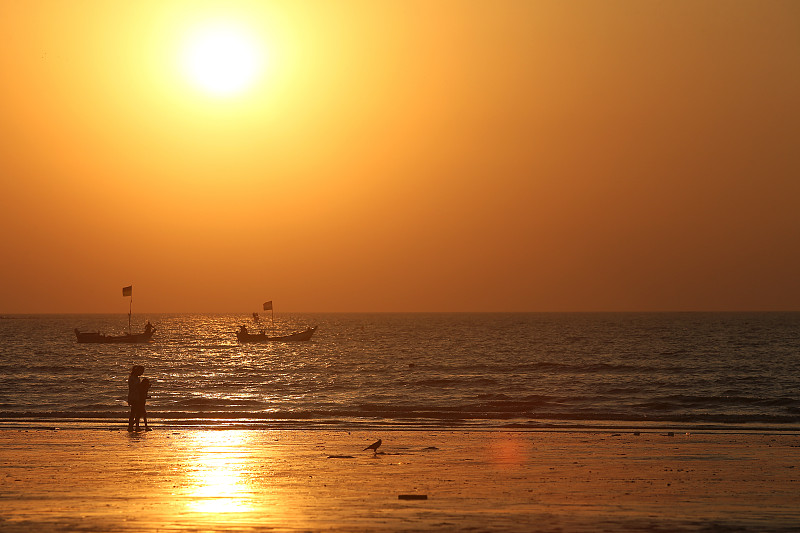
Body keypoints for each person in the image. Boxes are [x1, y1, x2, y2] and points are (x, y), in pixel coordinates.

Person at [127, 365, 144, 432]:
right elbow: (134, 387)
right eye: (141, 371)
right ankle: (131, 426)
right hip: (134, 396)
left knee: (137, 412)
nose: (142, 373)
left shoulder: (135, 378)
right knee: (134, 412)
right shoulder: (133, 378)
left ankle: (135, 426)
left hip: (136, 396)